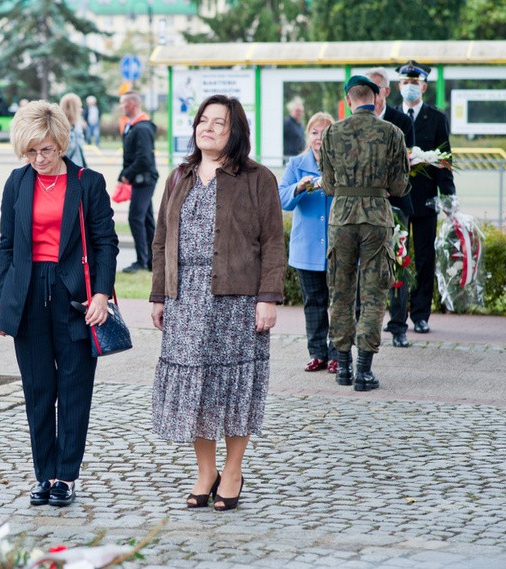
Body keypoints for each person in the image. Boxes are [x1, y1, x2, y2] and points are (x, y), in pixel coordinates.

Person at [150, 95, 285, 511]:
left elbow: (272, 242)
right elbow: (160, 241)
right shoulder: (179, 176)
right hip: (185, 301)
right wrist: (158, 294)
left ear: (236, 131)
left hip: (237, 302)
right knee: (198, 390)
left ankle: (232, 471)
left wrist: (268, 297)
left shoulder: (257, 178)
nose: (207, 128)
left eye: (219, 123)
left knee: (233, 389)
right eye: (202, 121)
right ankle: (205, 471)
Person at [0, 101, 118, 508]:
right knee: (38, 390)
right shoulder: (16, 182)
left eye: (45, 149)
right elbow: (8, 246)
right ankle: (44, 474)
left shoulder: (88, 182)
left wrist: (101, 294)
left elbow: (105, 244)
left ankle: (66, 476)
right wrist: (2, 301)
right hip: (27, 293)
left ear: (61, 143)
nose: (39, 159)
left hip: (75, 296)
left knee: (74, 386)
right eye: (30, 151)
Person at [319, 76, 410, 392]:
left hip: (341, 218)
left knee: (340, 291)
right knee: (373, 294)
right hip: (376, 218)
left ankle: (342, 367)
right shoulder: (392, 133)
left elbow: (328, 185)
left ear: (348, 99)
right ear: (375, 97)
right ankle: (363, 371)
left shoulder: (331, 132)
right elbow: (399, 187)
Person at [397, 60, 456, 336]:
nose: (410, 87)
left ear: (424, 85)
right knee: (397, 258)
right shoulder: (393, 117)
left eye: (415, 82)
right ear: (398, 86)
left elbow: (445, 159)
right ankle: (397, 315)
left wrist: (449, 197)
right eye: (405, 82)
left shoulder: (435, 118)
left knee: (423, 258)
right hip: (396, 200)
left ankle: (420, 315)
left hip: (424, 200)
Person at [278, 112, 338, 374]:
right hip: (308, 246)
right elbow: (281, 198)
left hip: (338, 246)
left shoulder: (342, 162)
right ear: (308, 135)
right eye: (315, 132)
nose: (319, 138)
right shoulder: (296, 164)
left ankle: (338, 353)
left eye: (326, 133)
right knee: (313, 302)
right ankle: (317, 353)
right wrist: (299, 188)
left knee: (339, 301)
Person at [365, 67, 415, 348]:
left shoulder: (400, 122)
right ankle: (367, 322)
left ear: (385, 92)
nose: (370, 96)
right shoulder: (358, 121)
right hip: (365, 206)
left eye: (375, 90)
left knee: (399, 263)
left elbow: (406, 162)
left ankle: (398, 326)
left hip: (395, 203)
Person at [118, 92, 159, 273]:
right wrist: (125, 174)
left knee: (135, 217)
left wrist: (127, 173)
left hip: (145, 179)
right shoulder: (134, 126)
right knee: (147, 219)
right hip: (139, 178)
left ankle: (142, 261)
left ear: (132, 104)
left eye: (123, 103)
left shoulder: (142, 128)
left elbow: (144, 158)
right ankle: (153, 260)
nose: (121, 107)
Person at [59, 93, 87, 167]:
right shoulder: (62, 129)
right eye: (79, 107)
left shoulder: (76, 126)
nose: (81, 110)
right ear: (72, 109)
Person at [283, 97, 305, 162]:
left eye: (301, 111)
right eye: (297, 111)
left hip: (298, 159)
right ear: (291, 111)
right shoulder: (287, 123)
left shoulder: (300, 125)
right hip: (288, 159)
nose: (299, 113)